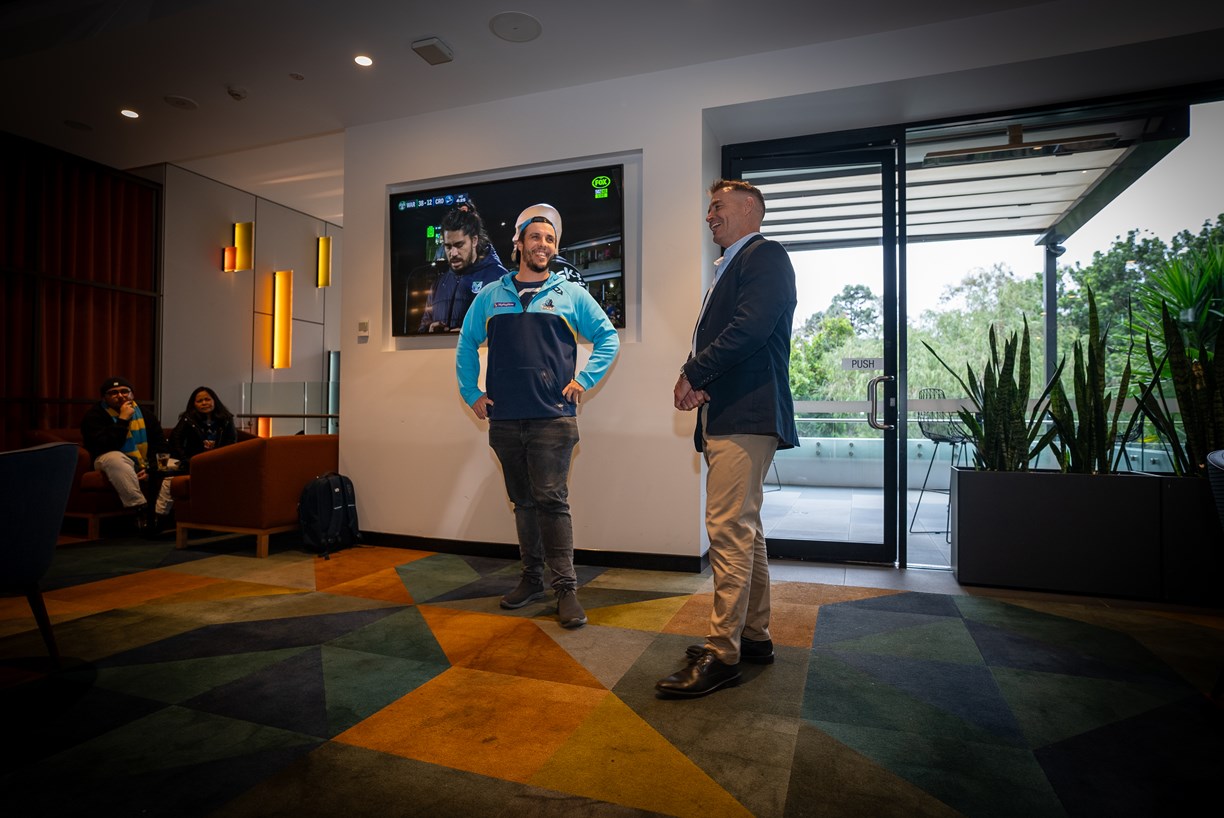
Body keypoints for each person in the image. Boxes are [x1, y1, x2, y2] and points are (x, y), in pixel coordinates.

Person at [656, 179, 799, 698]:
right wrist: (697, 376)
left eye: (718, 206)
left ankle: (722, 652)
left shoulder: (765, 256)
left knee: (727, 529)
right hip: (733, 413)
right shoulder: (733, 265)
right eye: (709, 208)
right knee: (745, 529)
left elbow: (748, 330)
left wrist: (693, 373)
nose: (709, 215)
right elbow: (724, 337)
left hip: (747, 414)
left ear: (749, 209)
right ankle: (754, 637)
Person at [456, 203, 620, 629]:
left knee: (552, 501)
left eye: (550, 239)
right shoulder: (491, 295)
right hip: (505, 420)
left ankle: (565, 589)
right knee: (524, 503)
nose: (543, 244)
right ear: (519, 243)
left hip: (553, 419)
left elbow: (607, 338)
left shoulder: (571, 294)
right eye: (535, 237)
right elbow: (466, 343)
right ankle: (531, 580)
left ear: (555, 247)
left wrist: (583, 380)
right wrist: (471, 392)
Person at [80, 376, 171, 532]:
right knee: (116, 459)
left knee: (174, 465)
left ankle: (158, 515)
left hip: (144, 462)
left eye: (124, 391)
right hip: (106, 457)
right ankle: (140, 509)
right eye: (113, 393)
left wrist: (150, 468)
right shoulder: (94, 416)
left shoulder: (145, 414)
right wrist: (123, 419)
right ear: (104, 398)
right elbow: (106, 446)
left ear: (132, 394)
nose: (120, 396)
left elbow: (160, 444)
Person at [419, 201, 508, 333]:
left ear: (474, 240)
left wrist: (470, 336)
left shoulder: (498, 279)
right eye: (448, 246)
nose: (453, 253)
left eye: (459, 245)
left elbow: (509, 330)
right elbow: (422, 328)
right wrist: (430, 330)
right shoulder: (438, 285)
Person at [170, 386, 239, 470]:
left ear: (214, 401)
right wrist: (186, 460)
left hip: (220, 462)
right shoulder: (188, 419)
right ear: (194, 404)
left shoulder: (226, 419)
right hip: (194, 463)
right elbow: (175, 440)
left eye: (207, 399)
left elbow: (231, 442)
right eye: (199, 401)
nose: (204, 403)